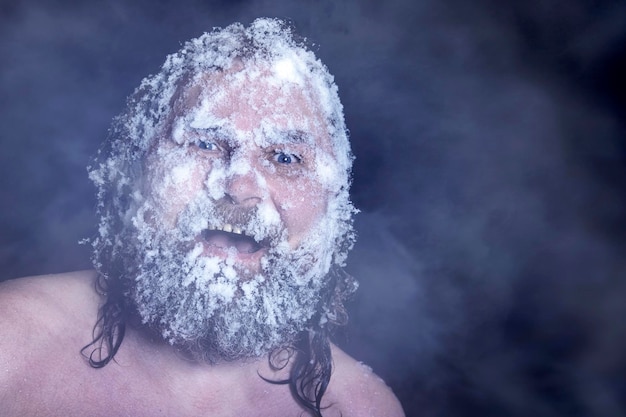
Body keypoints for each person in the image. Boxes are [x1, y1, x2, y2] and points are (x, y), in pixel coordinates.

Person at [0, 18, 404, 417]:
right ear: (140, 166)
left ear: (333, 203)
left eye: (285, 158)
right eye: (205, 143)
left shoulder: (362, 409)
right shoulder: (10, 346)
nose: (238, 185)